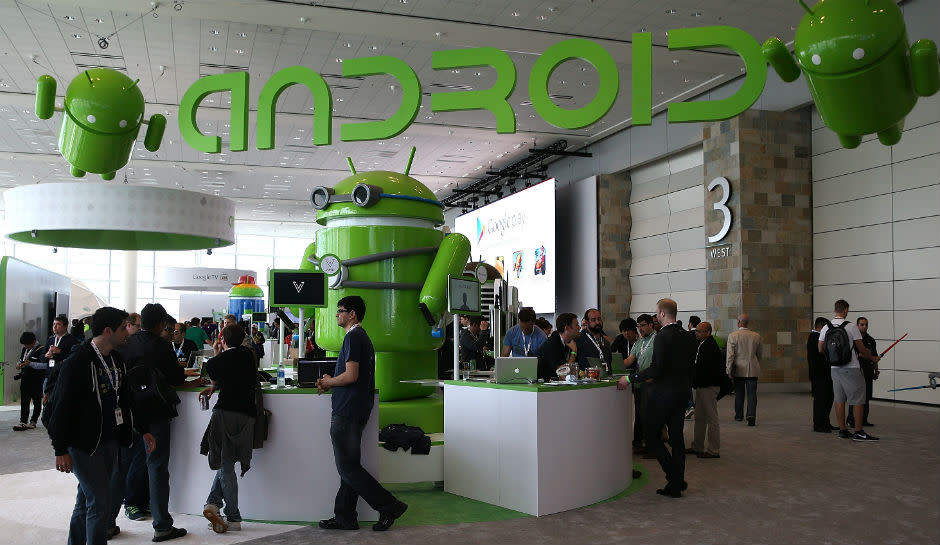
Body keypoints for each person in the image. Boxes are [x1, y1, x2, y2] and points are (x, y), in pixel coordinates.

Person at [49, 307, 156, 545]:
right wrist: (60, 449)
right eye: (122, 328)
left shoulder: (117, 359)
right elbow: (60, 408)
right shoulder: (78, 361)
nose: (127, 332)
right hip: (83, 443)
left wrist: (143, 428)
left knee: (87, 500)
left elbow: (127, 398)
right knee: (100, 501)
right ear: (108, 331)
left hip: (110, 440)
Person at [316, 295, 408, 532]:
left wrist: (329, 382)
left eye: (340, 310)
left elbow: (351, 375)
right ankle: (345, 517)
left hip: (347, 410)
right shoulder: (361, 338)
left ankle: (389, 505)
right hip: (356, 408)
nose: (337, 314)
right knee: (350, 466)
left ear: (352, 314)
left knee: (347, 468)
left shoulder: (354, 338)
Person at [122, 303, 188, 541]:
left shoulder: (126, 343)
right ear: (161, 324)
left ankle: (109, 521)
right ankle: (161, 524)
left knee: (125, 463)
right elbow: (177, 378)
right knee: (157, 465)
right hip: (156, 413)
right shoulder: (162, 346)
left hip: (129, 411)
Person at [628, 298, 695, 498]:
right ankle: (676, 484)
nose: (656, 315)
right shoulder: (687, 336)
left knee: (651, 436)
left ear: (663, 314)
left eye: (657, 313)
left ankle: (674, 478)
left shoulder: (662, 337)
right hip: (682, 393)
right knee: (677, 439)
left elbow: (657, 368)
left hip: (664, 395)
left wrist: (632, 377)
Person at [199, 324, 258, 534]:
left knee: (225, 466)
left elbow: (213, 371)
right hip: (247, 417)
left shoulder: (220, 360)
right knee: (229, 461)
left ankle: (233, 517)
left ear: (222, 339)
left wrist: (217, 352)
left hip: (225, 414)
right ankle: (212, 505)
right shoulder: (249, 355)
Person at [818, 300, 880, 442]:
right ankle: (858, 432)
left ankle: (843, 430)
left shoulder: (826, 328)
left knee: (839, 399)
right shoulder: (851, 326)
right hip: (851, 368)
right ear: (845, 310)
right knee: (858, 399)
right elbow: (861, 348)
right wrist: (872, 357)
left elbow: (820, 349)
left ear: (835, 310)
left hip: (834, 369)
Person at [619, 314, 656, 452]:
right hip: (639, 383)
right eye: (638, 326)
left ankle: (652, 446)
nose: (640, 329)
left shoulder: (657, 340)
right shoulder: (639, 342)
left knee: (649, 415)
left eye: (643, 325)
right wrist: (612, 365)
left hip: (652, 383)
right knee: (640, 415)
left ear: (651, 325)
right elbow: (629, 360)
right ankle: (638, 443)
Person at [689, 321, 724, 459]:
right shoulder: (702, 344)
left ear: (708, 332)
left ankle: (714, 450)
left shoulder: (710, 346)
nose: (696, 333)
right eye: (696, 330)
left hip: (709, 387)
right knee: (700, 418)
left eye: (699, 331)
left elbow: (706, 370)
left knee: (711, 419)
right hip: (702, 386)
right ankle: (697, 446)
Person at [726, 313, 762, 426]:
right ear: (748, 323)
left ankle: (739, 415)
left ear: (738, 322)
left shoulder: (733, 335)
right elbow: (759, 354)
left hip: (738, 368)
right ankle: (751, 415)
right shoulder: (756, 336)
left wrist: (728, 369)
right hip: (752, 368)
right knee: (752, 393)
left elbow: (730, 355)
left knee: (739, 393)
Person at [848, 317, 878, 428]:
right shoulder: (854, 340)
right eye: (862, 324)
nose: (864, 326)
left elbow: (874, 356)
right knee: (855, 398)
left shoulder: (871, 340)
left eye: (866, 324)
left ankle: (864, 420)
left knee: (866, 398)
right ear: (857, 325)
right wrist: (868, 355)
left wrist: (876, 370)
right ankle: (851, 420)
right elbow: (858, 354)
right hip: (856, 372)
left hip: (868, 372)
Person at [807, 317, 836, 433]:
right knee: (821, 400)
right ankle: (819, 424)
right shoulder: (815, 338)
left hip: (823, 374)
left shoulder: (816, 337)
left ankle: (825, 422)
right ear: (821, 326)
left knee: (828, 398)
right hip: (820, 375)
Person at [13, 332, 45, 431]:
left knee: (36, 401)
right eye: (25, 345)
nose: (26, 346)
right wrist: (19, 364)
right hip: (25, 379)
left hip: (37, 380)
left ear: (34, 341)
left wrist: (30, 364)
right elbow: (21, 359)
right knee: (24, 401)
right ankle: (23, 421)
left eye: (28, 344)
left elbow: (44, 365)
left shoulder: (41, 349)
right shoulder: (25, 349)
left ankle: (33, 421)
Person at [536, 313, 580, 382]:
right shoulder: (553, 344)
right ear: (567, 328)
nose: (579, 327)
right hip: (545, 387)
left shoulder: (570, 342)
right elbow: (564, 375)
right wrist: (574, 351)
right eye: (577, 325)